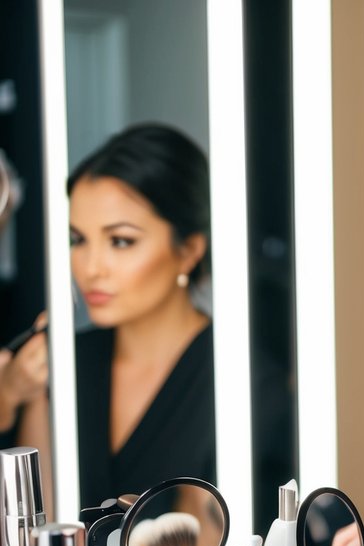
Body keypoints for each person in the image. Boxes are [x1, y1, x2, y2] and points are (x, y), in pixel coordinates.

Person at [7, 124, 216, 509]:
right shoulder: (64, 365)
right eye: (78, 240)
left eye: (120, 241)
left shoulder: (243, 384)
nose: (91, 268)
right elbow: (40, 538)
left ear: (188, 249)